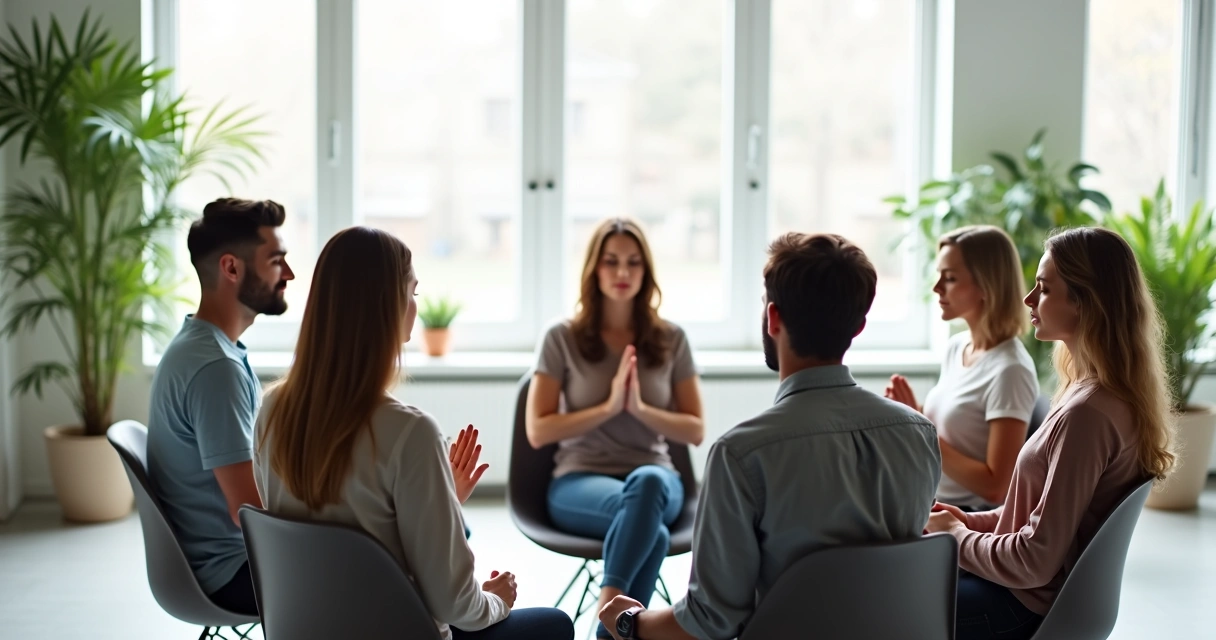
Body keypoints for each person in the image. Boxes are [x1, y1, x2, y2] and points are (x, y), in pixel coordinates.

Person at [597, 233, 942, 640]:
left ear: (773, 318)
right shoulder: (918, 434)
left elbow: (709, 624)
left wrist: (626, 621)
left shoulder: (741, 454)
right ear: (859, 325)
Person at [254, 226, 573, 640]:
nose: (415, 307)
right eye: (413, 293)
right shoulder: (410, 432)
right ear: (390, 307)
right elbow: (456, 605)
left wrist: (442, 501)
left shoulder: (272, 409)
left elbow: (333, 546)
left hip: (303, 631)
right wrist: (497, 599)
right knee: (555, 626)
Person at [925, 227, 1175, 640]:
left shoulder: (1087, 415)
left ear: (1084, 301)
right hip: (1020, 592)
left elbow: (1034, 560)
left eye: (1043, 289)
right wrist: (965, 522)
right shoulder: (1096, 392)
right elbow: (1034, 519)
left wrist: (957, 537)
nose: (1028, 300)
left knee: (884, 602)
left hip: (1019, 606)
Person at [525, 218, 705, 638]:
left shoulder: (671, 338)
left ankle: (608, 604)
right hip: (578, 482)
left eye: (633, 263)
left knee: (646, 484)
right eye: (611, 262)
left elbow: (695, 429)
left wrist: (639, 408)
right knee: (652, 535)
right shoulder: (560, 337)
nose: (622, 273)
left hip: (657, 481)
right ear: (594, 268)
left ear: (646, 271)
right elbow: (538, 429)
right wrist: (608, 407)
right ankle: (613, 629)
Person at [147, 198, 295, 615]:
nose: (289, 274)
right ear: (232, 268)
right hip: (234, 571)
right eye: (276, 261)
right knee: (389, 560)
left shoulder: (205, 346)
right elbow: (248, 510)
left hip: (231, 562)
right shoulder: (215, 369)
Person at [886, 226, 1038, 509]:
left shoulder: (1010, 371)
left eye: (951, 278)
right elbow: (954, 433)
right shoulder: (957, 347)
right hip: (928, 497)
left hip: (965, 520)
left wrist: (921, 429)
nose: (936, 288)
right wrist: (912, 414)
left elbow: (996, 487)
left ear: (986, 285)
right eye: (939, 275)